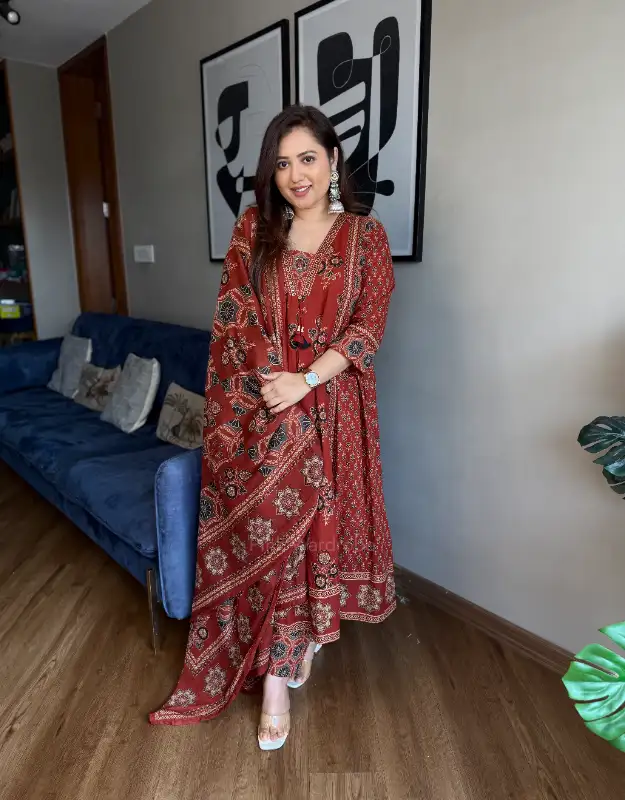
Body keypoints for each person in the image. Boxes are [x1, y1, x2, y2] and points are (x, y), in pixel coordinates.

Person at [149, 105, 396, 750]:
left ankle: (295, 650)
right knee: (277, 541)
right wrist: (277, 386)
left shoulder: (366, 236)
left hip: (336, 408)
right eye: (282, 164)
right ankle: (275, 685)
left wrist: (307, 379)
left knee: (318, 534)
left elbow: (368, 327)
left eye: (307, 158)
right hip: (265, 407)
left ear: (333, 160)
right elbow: (236, 317)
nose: (295, 175)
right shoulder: (254, 230)